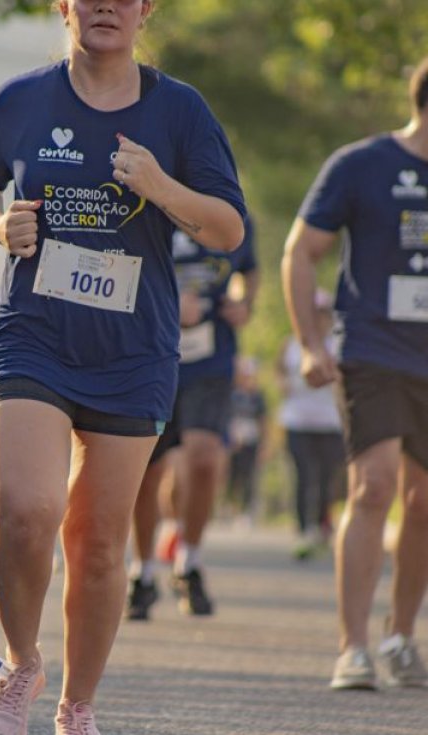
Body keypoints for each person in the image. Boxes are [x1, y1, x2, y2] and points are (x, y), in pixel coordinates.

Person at [0, 0, 246, 731]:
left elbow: (227, 228)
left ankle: (76, 706)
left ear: (145, 10)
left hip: (132, 349)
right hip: (32, 334)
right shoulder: (20, 99)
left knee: (96, 544)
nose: (106, 6)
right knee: (25, 512)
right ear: (65, 6)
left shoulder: (180, 111)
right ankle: (21, 664)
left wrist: (161, 186)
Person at [281, 58, 428, 690]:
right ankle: (354, 648)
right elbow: (300, 252)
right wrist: (311, 344)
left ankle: (400, 637)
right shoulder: (361, 164)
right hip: (374, 350)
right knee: (373, 485)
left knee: (423, 504)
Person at [128, 217, 259, 620]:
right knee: (145, 472)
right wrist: (168, 302)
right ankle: (143, 570)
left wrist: (245, 304)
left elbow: (250, 268)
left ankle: (189, 561)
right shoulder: (143, 206)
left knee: (204, 458)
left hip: (209, 363)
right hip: (148, 357)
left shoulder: (227, 211)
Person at [276, 288, 345, 560]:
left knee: (327, 477)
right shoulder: (291, 343)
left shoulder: (339, 344)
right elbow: (279, 371)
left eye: (323, 314)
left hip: (330, 422)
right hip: (297, 420)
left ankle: (321, 525)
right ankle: (304, 530)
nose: (318, 319)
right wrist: (283, 384)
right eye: (314, 313)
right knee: (303, 474)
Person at [225, 355, 267, 525]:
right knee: (232, 477)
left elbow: (263, 420)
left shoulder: (257, 397)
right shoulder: (231, 393)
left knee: (249, 476)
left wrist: (264, 445)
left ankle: (246, 511)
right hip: (232, 441)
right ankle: (230, 508)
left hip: (251, 440)